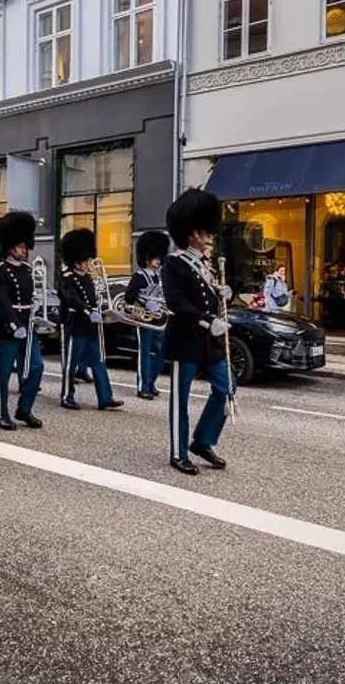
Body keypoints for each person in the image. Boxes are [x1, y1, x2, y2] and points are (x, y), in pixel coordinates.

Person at [162, 188, 234, 475]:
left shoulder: (207, 265)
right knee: (180, 399)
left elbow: (209, 296)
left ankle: (203, 441)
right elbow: (175, 301)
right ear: (192, 233)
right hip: (186, 339)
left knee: (227, 388)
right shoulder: (175, 262)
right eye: (205, 231)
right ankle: (178, 453)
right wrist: (205, 319)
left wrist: (225, 294)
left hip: (210, 342)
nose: (209, 236)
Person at [0, 211, 45, 430]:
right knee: (3, 374)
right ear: (10, 247)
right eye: (20, 247)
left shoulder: (27, 270)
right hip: (7, 327)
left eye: (25, 247)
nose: (23, 250)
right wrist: (13, 324)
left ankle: (25, 408)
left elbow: (29, 295)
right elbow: (1, 301)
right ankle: (1, 413)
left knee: (37, 367)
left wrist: (36, 305)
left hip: (28, 325)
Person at [56, 229, 123, 412]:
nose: (89, 264)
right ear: (77, 260)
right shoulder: (66, 278)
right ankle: (67, 395)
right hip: (75, 324)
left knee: (98, 362)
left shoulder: (88, 278)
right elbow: (71, 299)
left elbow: (93, 300)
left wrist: (102, 311)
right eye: (86, 260)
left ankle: (105, 398)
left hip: (91, 326)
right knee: (71, 363)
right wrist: (87, 310)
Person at [125, 230, 170, 400]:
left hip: (158, 318)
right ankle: (143, 386)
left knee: (161, 351)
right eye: (155, 257)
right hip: (144, 317)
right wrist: (145, 303)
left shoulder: (158, 277)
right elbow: (129, 296)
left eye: (159, 258)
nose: (158, 261)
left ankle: (151, 381)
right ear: (147, 257)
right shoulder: (139, 276)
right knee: (144, 353)